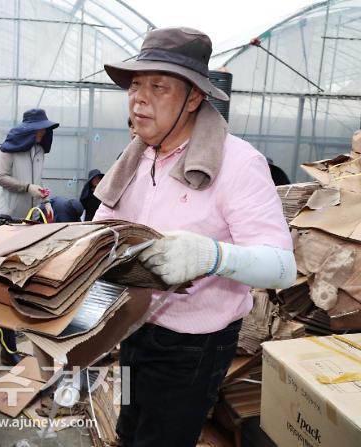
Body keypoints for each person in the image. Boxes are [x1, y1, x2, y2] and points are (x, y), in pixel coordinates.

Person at [93, 27, 296, 446]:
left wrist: (212, 256)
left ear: (194, 99)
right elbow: (100, 228)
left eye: (159, 86)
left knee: (163, 438)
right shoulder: (136, 156)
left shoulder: (238, 164)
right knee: (129, 427)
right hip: (133, 329)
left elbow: (283, 267)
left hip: (191, 348)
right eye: (135, 85)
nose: (139, 98)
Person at [0, 109, 59, 220]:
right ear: (31, 130)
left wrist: (46, 201)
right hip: (10, 216)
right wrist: (27, 187)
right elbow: (0, 177)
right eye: (41, 128)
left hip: (33, 216)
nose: (44, 132)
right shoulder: (9, 148)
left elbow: (37, 179)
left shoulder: (39, 150)